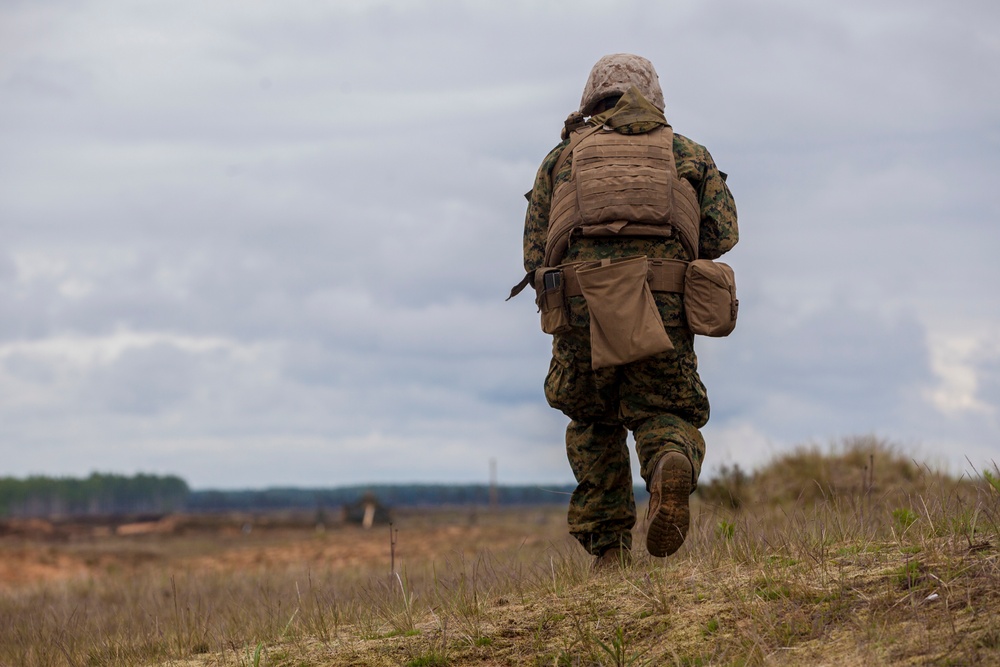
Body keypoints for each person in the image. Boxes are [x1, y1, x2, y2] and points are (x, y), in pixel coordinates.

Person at [513, 54, 738, 567]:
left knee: (593, 420)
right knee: (665, 409)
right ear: (654, 98)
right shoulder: (688, 154)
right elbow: (721, 236)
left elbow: (533, 254)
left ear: (591, 98)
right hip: (662, 305)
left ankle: (610, 553)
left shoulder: (561, 159)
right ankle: (668, 460)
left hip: (581, 304)